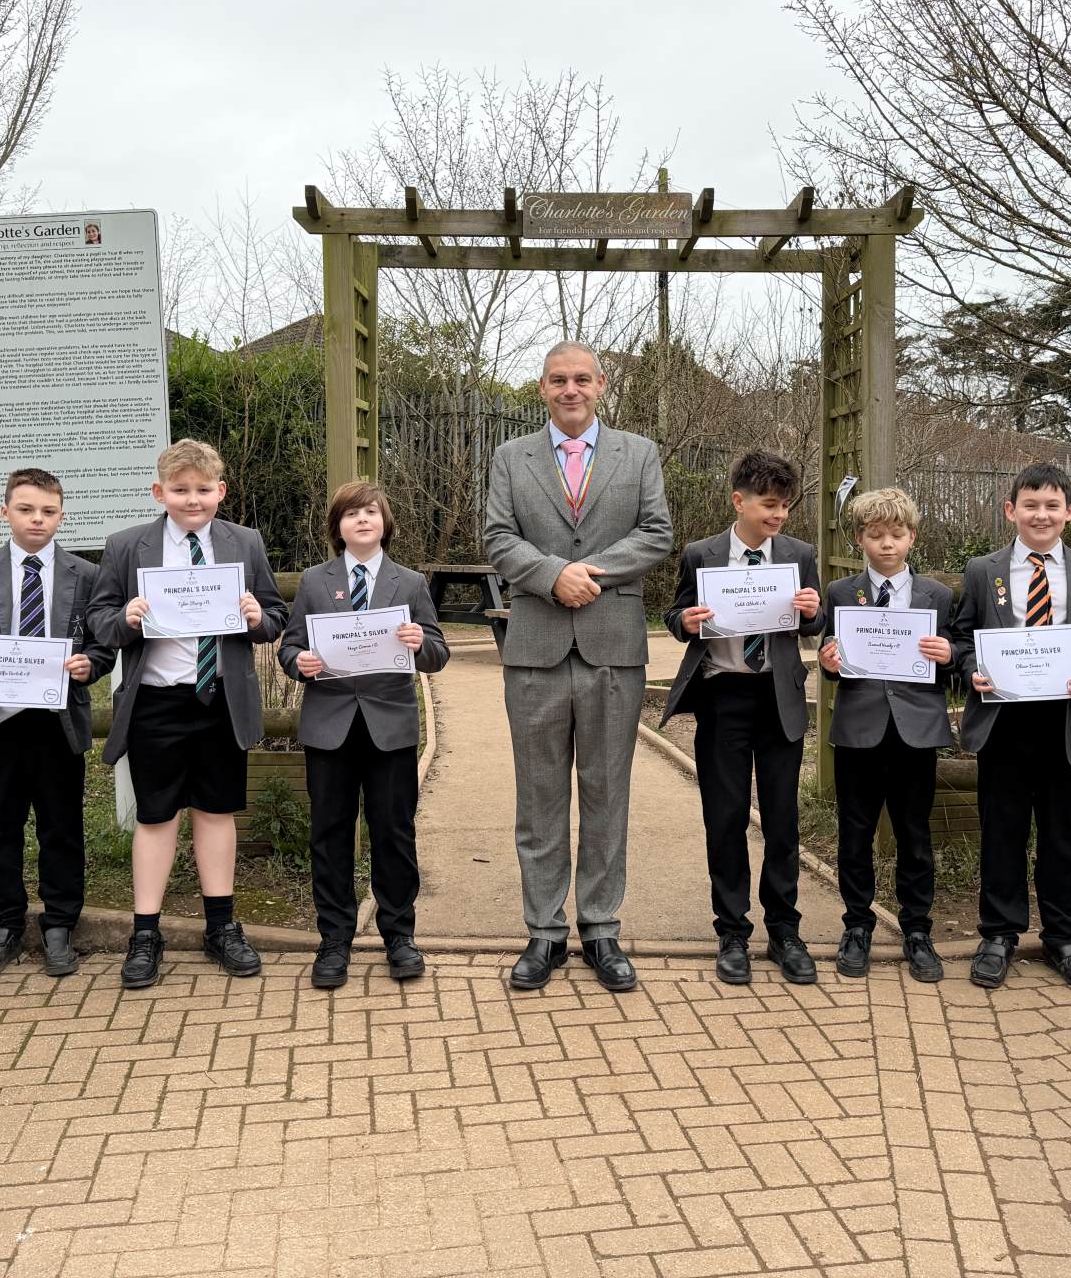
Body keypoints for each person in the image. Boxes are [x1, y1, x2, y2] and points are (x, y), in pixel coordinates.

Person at [483, 341, 674, 992]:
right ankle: (544, 932)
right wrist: (550, 575)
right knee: (538, 800)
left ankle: (600, 929)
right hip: (535, 650)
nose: (571, 389)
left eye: (582, 379)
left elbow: (655, 533)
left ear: (601, 385)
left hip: (612, 648)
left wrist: (583, 573)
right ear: (542, 388)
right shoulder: (511, 458)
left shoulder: (639, 454)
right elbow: (498, 537)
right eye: (559, 379)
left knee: (606, 795)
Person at [88, 439, 288, 990]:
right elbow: (100, 620)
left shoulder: (245, 542)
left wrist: (257, 617)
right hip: (156, 700)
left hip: (220, 698)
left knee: (216, 812)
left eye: (203, 489)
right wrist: (126, 619)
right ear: (159, 492)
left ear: (221, 491)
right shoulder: (126, 546)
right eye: (180, 489)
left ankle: (221, 927)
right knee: (155, 817)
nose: (192, 499)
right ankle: (145, 934)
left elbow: (275, 617)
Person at [950, 462, 1071, 992]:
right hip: (1003, 721)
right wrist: (970, 670)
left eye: (1052, 506)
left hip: (1066, 723)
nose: (1041, 515)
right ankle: (998, 935)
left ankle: (1063, 938)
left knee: (1061, 835)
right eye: (1030, 505)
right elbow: (962, 638)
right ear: (1011, 510)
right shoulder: (982, 571)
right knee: (1001, 833)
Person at [0, 468, 115, 980]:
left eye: (48, 511)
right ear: (5, 512)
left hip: (57, 722)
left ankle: (60, 924)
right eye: (26, 509)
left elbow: (101, 645)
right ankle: (5, 924)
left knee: (62, 827)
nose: (38, 519)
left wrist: (90, 664)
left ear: (62, 516)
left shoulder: (85, 573)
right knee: (1, 828)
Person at [661, 450, 823, 985]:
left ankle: (784, 930)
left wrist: (812, 612)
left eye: (786, 506)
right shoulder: (701, 554)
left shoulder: (799, 554)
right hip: (722, 696)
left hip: (778, 697)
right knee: (725, 817)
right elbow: (675, 614)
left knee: (782, 819)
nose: (779, 515)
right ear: (739, 501)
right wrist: (685, 621)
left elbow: (812, 623)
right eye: (769, 505)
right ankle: (732, 931)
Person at [279, 482, 450, 988]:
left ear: (384, 522)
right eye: (351, 514)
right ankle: (334, 940)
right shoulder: (315, 581)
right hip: (329, 727)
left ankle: (399, 936)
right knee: (330, 834)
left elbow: (438, 652)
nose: (362, 520)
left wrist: (420, 643)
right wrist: (299, 661)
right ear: (338, 526)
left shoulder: (410, 583)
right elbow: (289, 647)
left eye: (371, 512)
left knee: (394, 833)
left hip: (389, 728)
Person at [816, 487, 955, 983]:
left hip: (915, 732)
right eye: (876, 535)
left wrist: (949, 656)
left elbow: (954, 657)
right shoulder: (841, 593)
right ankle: (857, 925)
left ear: (912, 536)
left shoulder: (938, 596)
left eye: (897, 534)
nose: (887, 544)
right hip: (859, 729)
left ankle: (917, 929)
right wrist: (829, 662)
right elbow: (833, 659)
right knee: (855, 833)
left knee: (914, 834)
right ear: (859, 539)